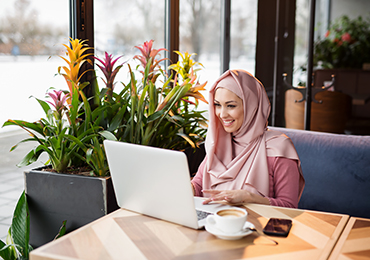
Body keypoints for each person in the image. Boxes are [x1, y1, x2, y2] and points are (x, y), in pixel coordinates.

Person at [191, 69, 305, 208]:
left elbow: (289, 208)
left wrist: (250, 198)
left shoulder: (278, 148)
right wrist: (184, 189)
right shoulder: (218, 143)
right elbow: (198, 185)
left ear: (252, 106)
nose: (222, 114)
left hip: (257, 227)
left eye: (231, 106)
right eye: (217, 105)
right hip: (213, 224)